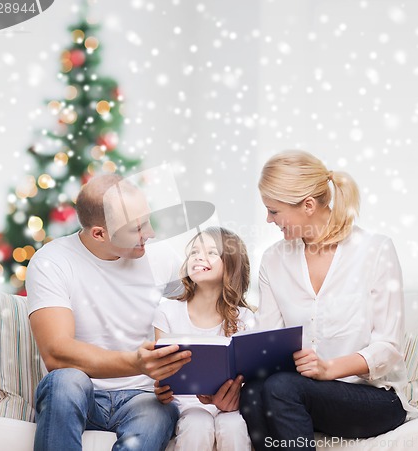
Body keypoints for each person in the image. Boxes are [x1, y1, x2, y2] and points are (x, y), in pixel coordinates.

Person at [239, 150, 418, 451]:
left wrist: (329, 368)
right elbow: (267, 342)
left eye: (274, 211)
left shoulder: (375, 250)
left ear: (308, 205)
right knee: (253, 393)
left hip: (374, 398)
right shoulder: (273, 260)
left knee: (281, 388)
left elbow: (388, 348)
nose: (269, 220)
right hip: (301, 395)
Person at [26, 174, 192, 451]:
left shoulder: (160, 256)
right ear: (99, 233)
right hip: (83, 394)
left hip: (145, 396)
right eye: (137, 228)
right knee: (65, 380)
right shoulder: (52, 262)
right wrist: (136, 363)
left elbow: (209, 305)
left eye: (148, 220)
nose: (150, 234)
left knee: (157, 412)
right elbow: (56, 352)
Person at [152, 227, 254, 451]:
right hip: (185, 406)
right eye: (195, 252)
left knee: (233, 426)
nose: (199, 257)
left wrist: (235, 397)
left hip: (229, 407)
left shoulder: (245, 319)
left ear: (231, 264)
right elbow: (162, 372)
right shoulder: (167, 312)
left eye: (211, 252)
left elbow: (251, 378)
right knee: (197, 424)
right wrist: (160, 388)